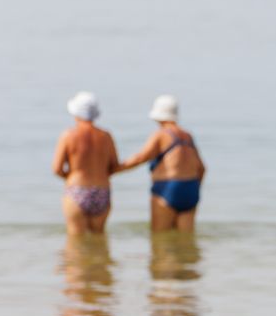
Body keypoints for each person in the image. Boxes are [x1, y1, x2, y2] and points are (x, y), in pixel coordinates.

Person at [117, 95, 205, 231]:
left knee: (160, 239)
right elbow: (202, 168)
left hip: (168, 188)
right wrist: (194, 189)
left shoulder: (161, 134)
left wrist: (115, 169)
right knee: (186, 240)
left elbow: (141, 157)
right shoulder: (187, 135)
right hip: (191, 188)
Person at [53, 91, 121, 235]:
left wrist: (70, 177)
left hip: (76, 190)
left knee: (75, 244)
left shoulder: (68, 135)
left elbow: (57, 168)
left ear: (75, 113)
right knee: (99, 241)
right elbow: (114, 166)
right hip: (102, 191)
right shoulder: (106, 136)